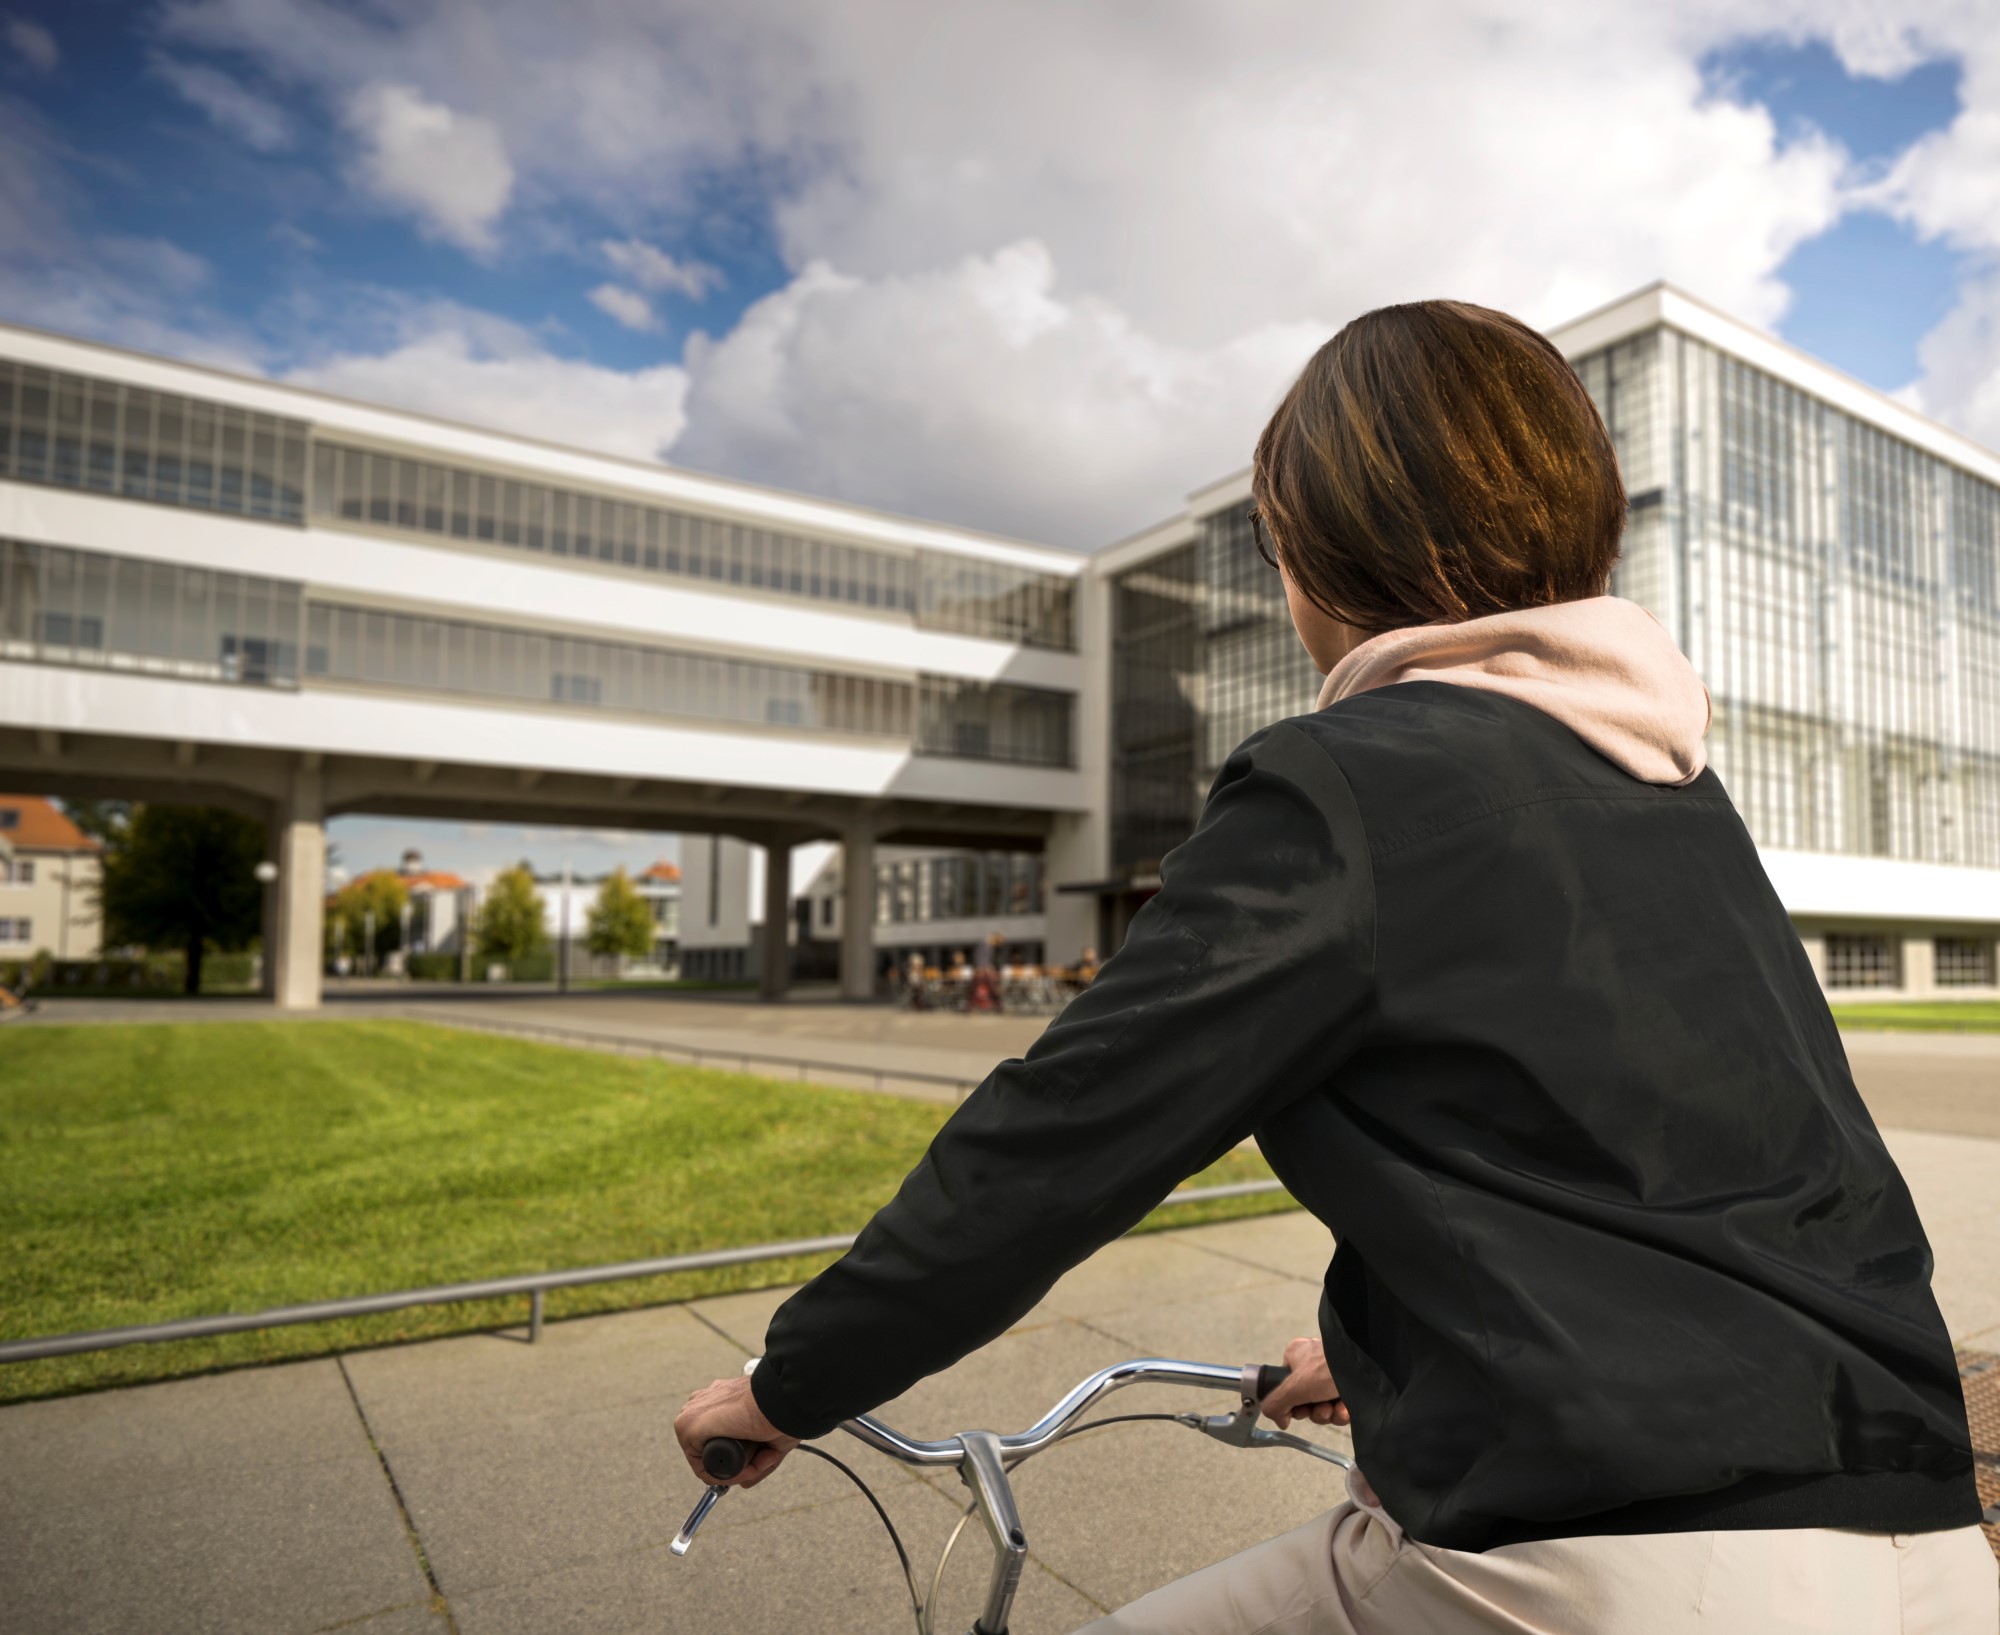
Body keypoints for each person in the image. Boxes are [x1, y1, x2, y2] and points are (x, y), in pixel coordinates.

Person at [675, 301, 1995, 1631]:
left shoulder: (1348, 783)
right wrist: (1381, 1347)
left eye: (1279, 551)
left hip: (1615, 1559)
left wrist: (794, 1380)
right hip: (1921, 1540)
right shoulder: (1671, 794)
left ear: (1336, 556)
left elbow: (1063, 1131)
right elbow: (1649, 1169)